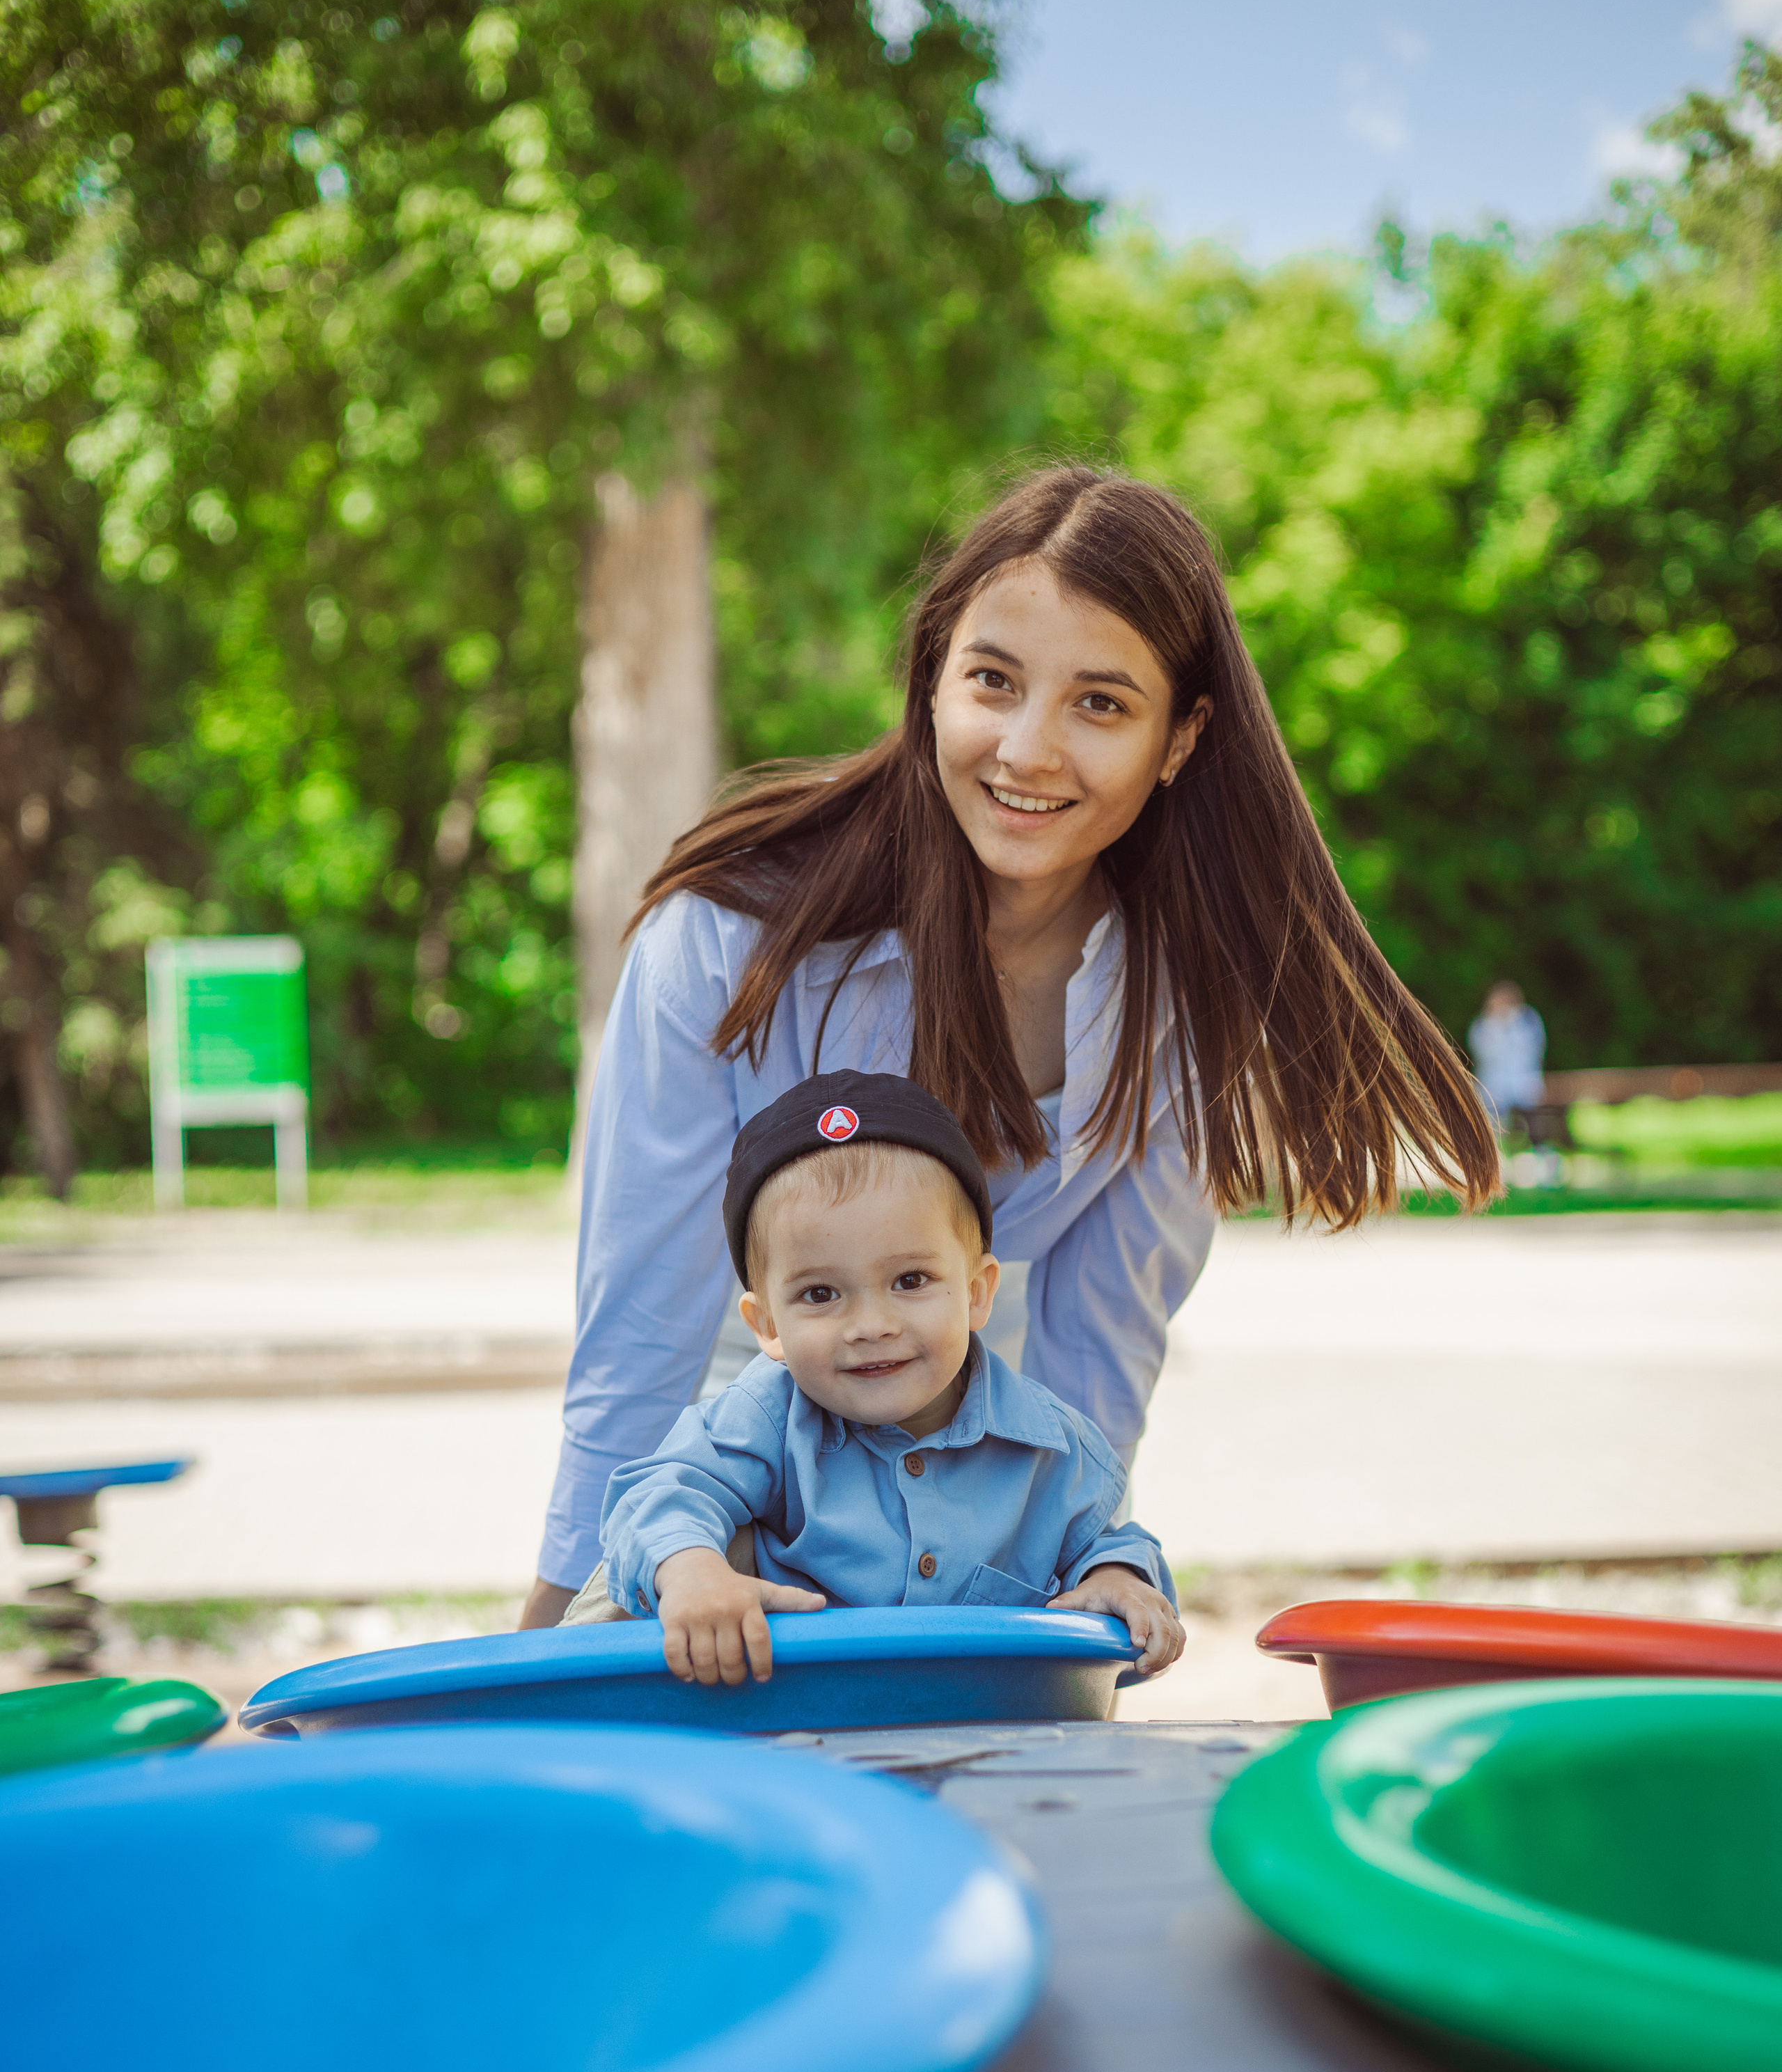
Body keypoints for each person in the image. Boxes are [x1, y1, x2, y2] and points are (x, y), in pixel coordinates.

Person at [522, 465, 1499, 1628]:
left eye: (1100, 704)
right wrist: (551, 1637)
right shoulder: (732, 943)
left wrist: (1082, 1598)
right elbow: (642, 1342)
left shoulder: (1180, 1001)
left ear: (1179, 738)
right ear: (932, 678)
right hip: (736, 1417)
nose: (1027, 752)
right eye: (993, 681)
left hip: (980, 1415)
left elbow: (1097, 1354)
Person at [588, 1072, 1184, 1688]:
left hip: (981, 1736)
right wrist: (690, 1570)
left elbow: (1111, 1542)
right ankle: (567, 1731)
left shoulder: (1048, 1444)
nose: (871, 1325)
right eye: (821, 1294)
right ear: (767, 1325)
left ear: (977, 1294)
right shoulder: (770, 1416)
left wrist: (1117, 1580)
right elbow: (659, 1492)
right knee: (649, 1572)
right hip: (791, 1729)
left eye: (910, 1281)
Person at [1467, 982, 1547, 1132]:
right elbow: (1482, 1053)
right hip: (1494, 1083)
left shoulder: (1527, 1021)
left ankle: (1537, 1146)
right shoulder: (1483, 1025)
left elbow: (1534, 1048)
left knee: (1531, 1118)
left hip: (1524, 1080)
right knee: (1493, 1122)